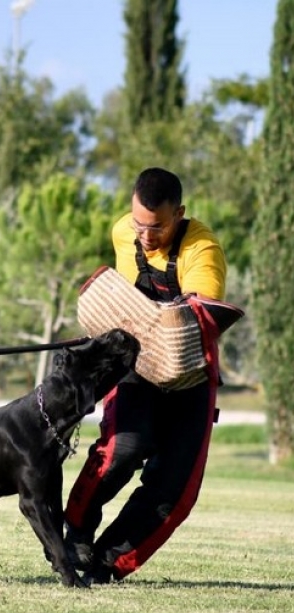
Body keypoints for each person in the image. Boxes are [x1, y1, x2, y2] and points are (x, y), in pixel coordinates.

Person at [64, 167, 227, 584]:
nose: (145, 236)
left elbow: (191, 321)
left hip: (188, 374)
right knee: (122, 449)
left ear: (180, 214)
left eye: (156, 227)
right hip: (137, 366)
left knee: (174, 489)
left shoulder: (202, 249)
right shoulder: (124, 232)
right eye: (139, 224)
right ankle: (76, 531)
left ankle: (107, 563)